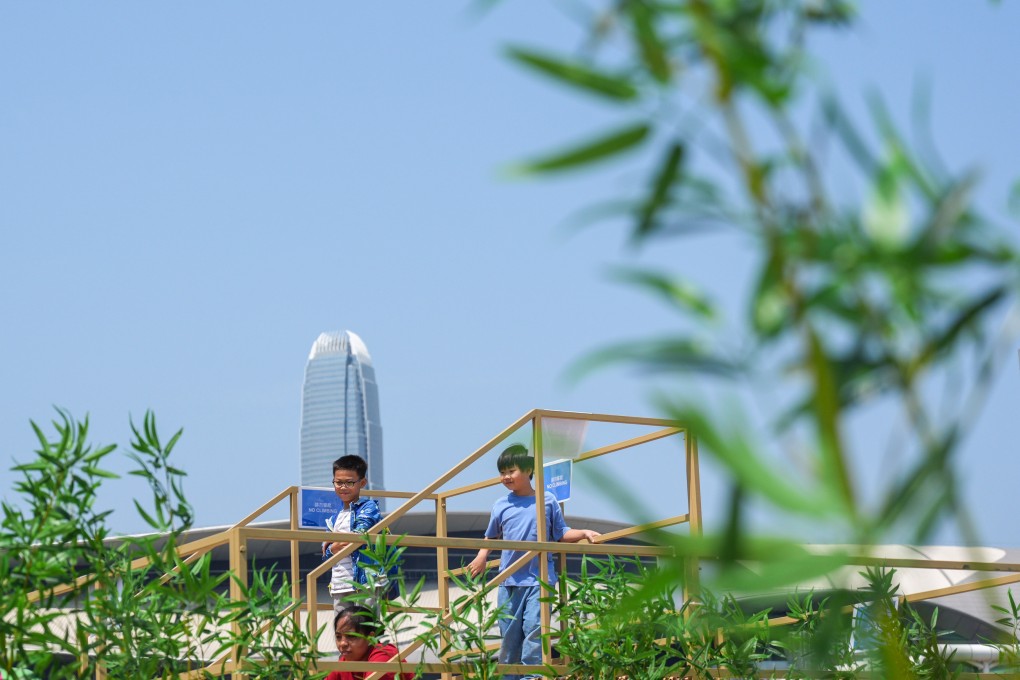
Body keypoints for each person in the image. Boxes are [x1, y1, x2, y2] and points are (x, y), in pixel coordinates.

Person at [467, 444, 600, 680]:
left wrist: (584, 532)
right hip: (508, 579)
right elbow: (490, 536)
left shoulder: (546, 500)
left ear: (528, 470)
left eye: (511, 471)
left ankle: (532, 677)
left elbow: (560, 533)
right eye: (502, 472)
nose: (506, 477)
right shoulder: (501, 505)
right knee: (509, 635)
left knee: (534, 629)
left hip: (539, 579)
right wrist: (481, 556)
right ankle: (509, 676)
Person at [322, 454, 386, 612]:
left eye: (349, 482)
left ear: (362, 483)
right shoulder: (333, 518)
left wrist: (337, 546)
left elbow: (361, 532)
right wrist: (331, 549)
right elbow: (325, 552)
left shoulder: (368, 507)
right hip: (339, 583)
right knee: (343, 630)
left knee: (365, 627)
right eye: (338, 482)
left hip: (365, 580)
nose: (343, 487)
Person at [325, 605, 413, 680]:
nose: (342, 643)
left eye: (351, 636)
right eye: (338, 637)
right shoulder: (345, 663)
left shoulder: (384, 655)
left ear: (370, 637)